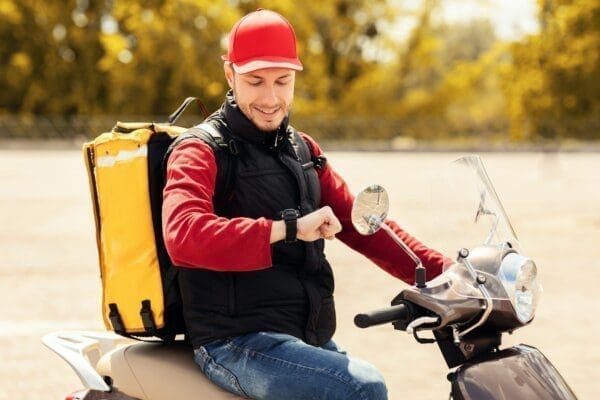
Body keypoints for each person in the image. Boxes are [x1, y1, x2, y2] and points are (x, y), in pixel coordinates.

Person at [162, 9, 449, 400]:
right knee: (362, 388)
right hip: (232, 341)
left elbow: (362, 224)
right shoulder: (200, 150)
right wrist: (289, 228)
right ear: (229, 75)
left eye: (283, 81)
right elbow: (184, 236)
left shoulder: (301, 149)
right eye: (255, 81)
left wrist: (448, 274)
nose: (271, 97)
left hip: (300, 337)